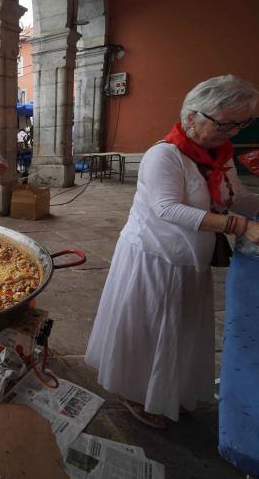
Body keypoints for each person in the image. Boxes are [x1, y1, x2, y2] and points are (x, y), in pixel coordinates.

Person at [85, 75, 259, 429]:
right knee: (149, 328)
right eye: (224, 124)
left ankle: (168, 392)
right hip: (154, 256)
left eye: (240, 124)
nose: (232, 133)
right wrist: (240, 226)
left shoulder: (218, 155)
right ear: (193, 116)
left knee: (179, 329)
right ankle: (136, 392)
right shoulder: (163, 155)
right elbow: (167, 208)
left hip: (189, 258)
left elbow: (233, 195)